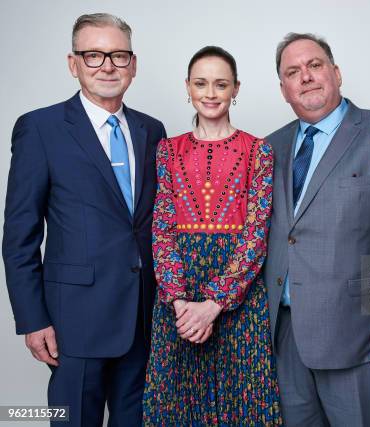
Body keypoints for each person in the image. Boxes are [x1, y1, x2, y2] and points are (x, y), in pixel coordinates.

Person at [2, 13, 166, 426]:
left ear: (133, 64)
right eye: (93, 55)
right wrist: (33, 318)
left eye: (118, 55)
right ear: (73, 63)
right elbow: (19, 235)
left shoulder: (153, 130)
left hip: (143, 318)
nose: (107, 65)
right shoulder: (41, 128)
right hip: (73, 322)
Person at [264, 33, 370, 426]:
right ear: (284, 88)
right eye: (293, 72)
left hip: (356, 336)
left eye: (315, 65)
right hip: (283, 336)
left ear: (336, 73)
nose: (305, 76)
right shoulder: (270, 147)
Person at [143, 46, 283, 425]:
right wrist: (179, 303)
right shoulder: (167, 150)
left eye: (221, 84)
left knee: (242, 402)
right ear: (187, 87)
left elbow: (257, 233)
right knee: (179, 404)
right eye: (201, 83)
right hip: (179, 292)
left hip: (238, 294)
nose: (210, 92)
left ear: (235, 89)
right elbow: (162, 228)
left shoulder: (259, 150)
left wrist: (215, 303)